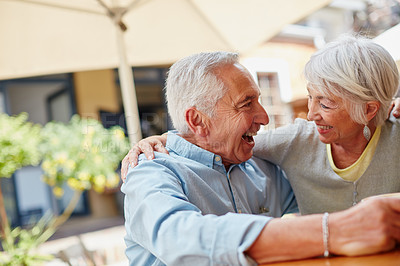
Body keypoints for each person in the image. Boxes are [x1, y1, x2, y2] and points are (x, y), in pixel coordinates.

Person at [121, 51, 400, 265]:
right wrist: (332, 232)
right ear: (197, 120)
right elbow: (179, 238)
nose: (264, 117)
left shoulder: (260, 168)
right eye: (246, 104)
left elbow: (331, 184)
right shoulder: (150, 171)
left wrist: (382, 117)